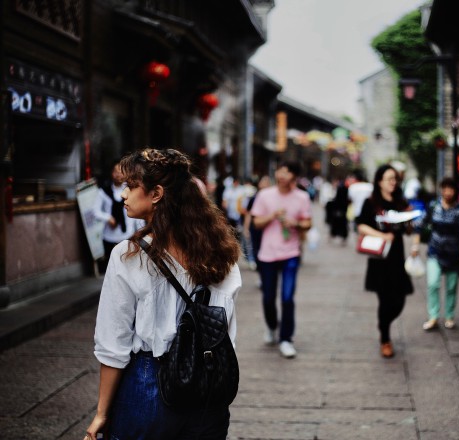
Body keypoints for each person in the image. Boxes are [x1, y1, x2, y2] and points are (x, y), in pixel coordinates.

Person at [86, 148, 241, 440]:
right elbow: (226, 330)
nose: (123, 195)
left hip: (149, 383)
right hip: (208, 388)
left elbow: (113, 343)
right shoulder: (222, 252)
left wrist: (102, 413)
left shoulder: (128, 255)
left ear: (156, 193)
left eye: (131, 187)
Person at [251, 161, 312, 358]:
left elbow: (308, 222)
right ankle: (271, 326)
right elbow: (256, 222)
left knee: (287, 298)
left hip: (291, 254)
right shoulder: (264, 195)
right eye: (280, 171)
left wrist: (296, 223)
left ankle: (286, 339)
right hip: (267, 254)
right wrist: (272, 216)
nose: (282, 175)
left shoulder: (302, 197)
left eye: (287, 172)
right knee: (268, 297)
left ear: (294, 177)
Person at [357, 164, 415, 359]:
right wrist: (382, 235)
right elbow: (361, 226)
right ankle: (385, 338)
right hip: (380, 258)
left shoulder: (400, 201)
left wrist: (410, 220)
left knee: (400, 299)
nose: (393, 182)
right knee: (384, 299)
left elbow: (408, 230)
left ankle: (384, 324)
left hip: (397, 257)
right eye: (389, 178)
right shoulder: (372, 202)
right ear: (379, 181)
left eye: (395, 179)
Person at [413, 178, 459, 331]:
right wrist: (415, 244)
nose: (447, 192)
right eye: (444, 189)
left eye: (450, 189)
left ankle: (450, 316)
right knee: (433, 283)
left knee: (451, 287)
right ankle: (433, 316)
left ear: (455, 191)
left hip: (453, 254)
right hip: (435, 251)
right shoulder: (434, 206)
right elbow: (420, 224)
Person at [94, 159, 143, 272]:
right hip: (109, 237)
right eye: (116, 171)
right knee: (111, 269)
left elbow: (136, 214)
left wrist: (139, 232)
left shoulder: (131, 190)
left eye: (122, 171)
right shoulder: (103, 191)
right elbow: (96, 211)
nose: (119, 175)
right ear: (111, 173)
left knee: (128, 268)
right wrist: (108, 217)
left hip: (128, 235)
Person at [327, 180, 349, 245]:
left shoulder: (340, 190)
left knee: (336, 224)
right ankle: (341, 236)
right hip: (342, 211)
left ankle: (333, 235)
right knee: (342, 225)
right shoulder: (345, 191)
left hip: (338, 211)